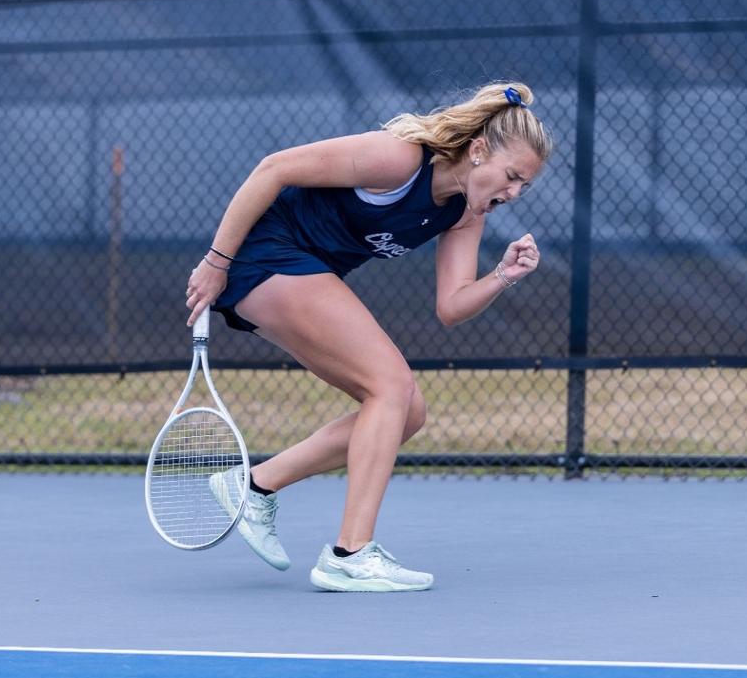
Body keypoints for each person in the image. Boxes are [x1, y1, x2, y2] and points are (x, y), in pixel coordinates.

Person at [185, 82, 552, 592]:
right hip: (266, 255)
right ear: (478, 150)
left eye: (524, 187)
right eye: (511, 177)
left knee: (408, 410)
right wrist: (216, 262)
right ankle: (349, 553)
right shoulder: (398, 159)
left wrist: (503, 276)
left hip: (305, 269)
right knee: (390, 386)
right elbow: (273, 169)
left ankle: (251, 485)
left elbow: (450, 307)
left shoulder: (466, 211)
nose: (512, 194)